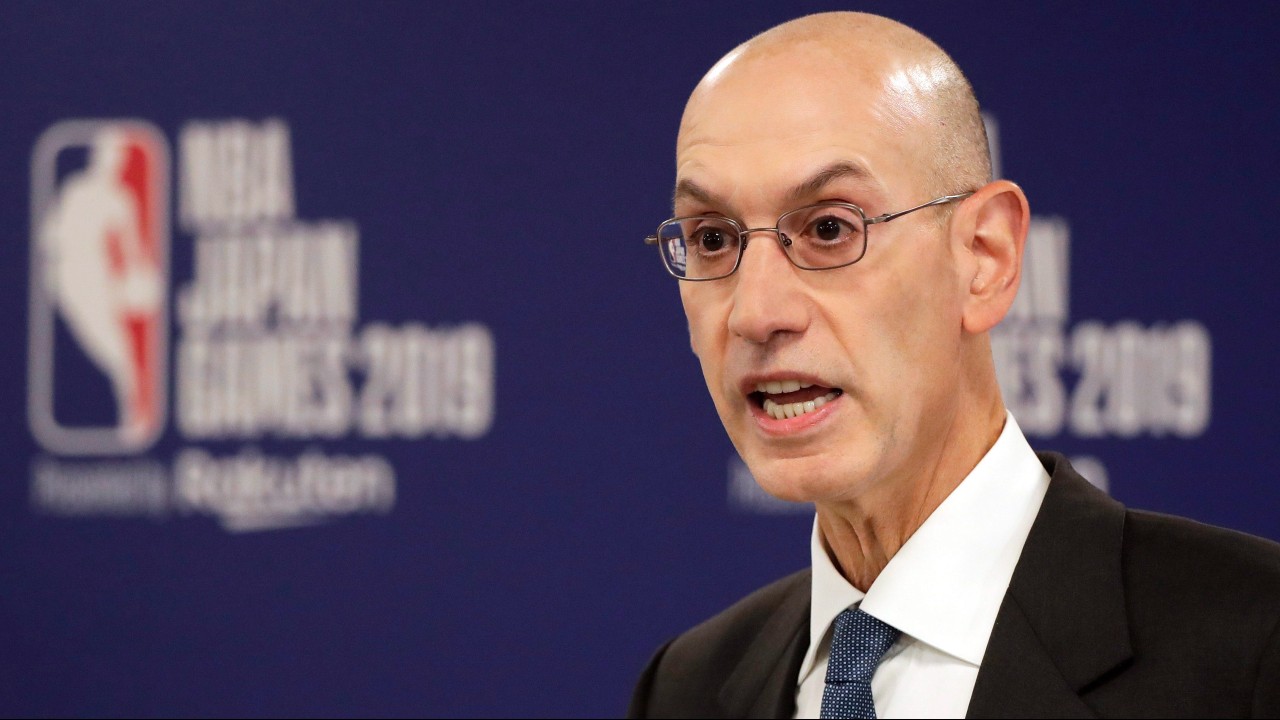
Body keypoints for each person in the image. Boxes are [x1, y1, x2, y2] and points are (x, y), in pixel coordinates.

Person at [628, 11, 1280, 719]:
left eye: (828, 229)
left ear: (984, 258)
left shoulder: (1252, 647)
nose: (755, 313)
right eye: (714, 239)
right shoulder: (687, 688)